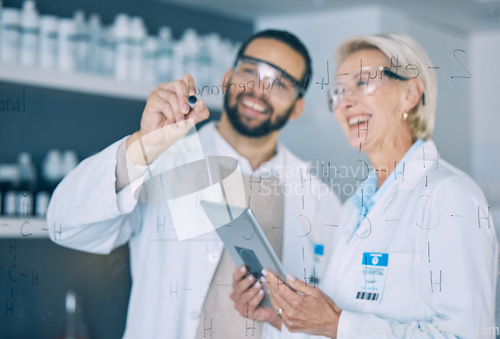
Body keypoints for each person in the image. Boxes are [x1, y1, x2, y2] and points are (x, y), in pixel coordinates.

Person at [47, 29, 341, 338]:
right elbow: (63, 225)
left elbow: (326, 316)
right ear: (228, 77)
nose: (257, 89)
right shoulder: (166, 161)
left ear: (297, 108)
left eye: (279, 83)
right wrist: (143, 146)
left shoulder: (318, 199)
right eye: (250, 71)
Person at [231, 33, 498, 338]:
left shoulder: (449, 197)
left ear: (410, 94)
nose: (345, 101)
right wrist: (283, 319)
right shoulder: (354, 208)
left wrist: (337, 323)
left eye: (362, 82)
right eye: (338, 92)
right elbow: (338, 326)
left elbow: (468, 334)